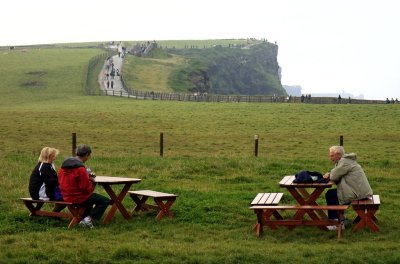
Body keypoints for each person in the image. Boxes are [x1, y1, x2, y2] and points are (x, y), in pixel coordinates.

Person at [58, 144, 110, 228]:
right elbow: (85, 188)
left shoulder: (62, 167)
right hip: (78, 197)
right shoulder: (80, 169)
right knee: (105, 200)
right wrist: (91, 181)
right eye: (88, 156)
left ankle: (84, 219)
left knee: (91, 199)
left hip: (65, 195)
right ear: (86, 155)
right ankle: (88, 219)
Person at [323, 146, 373, 229]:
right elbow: (337, 175)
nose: (330, 158)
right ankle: (340, 219)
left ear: (338, 155)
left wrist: (328, 174)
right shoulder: (346, 161)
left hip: (358, 193)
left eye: (332, 156)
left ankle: (335, 223)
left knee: (330, 195)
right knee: (333, 194)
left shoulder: (344, 162)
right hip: (360, 191)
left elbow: (334, 177)